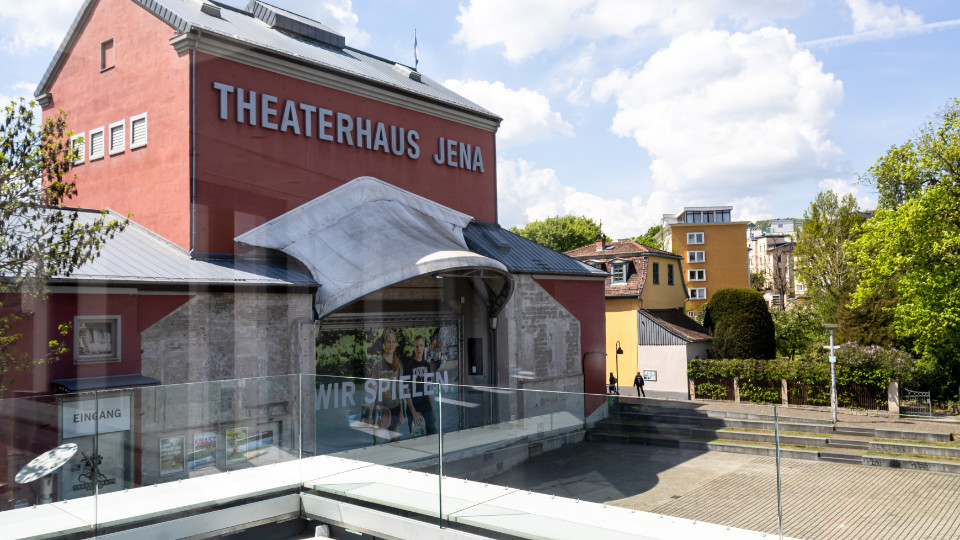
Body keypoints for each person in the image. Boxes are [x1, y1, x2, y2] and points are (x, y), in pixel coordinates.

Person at [367, 330, 422, 441]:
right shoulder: (378, 365)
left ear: (395, 344)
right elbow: (374, 389)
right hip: (381, 410)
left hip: (395, 409)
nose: (391, 344)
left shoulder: (399, 364)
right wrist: (371, 414)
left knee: (395, 443)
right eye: (388, 342)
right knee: (379, 443)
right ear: (384, 344)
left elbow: (400, 388)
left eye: (393, 342)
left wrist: (401, 411)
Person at [404, 335, 438, 436]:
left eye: (421, 345)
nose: (419, 348)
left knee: (432, 438)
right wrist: (413, 412)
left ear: (424, 347)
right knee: (417, 442)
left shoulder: (427, 365)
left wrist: (432, 410)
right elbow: (406, 392)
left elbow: (428, 389)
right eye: (416, 346)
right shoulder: (408, 366)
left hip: (427, 409)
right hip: (414, 411)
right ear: (414, 347)